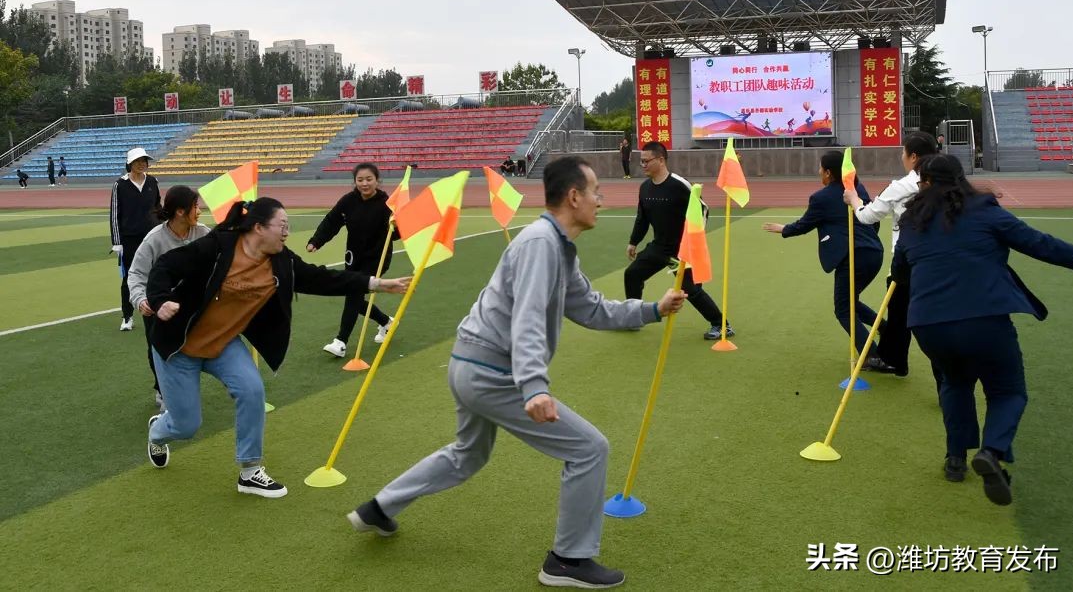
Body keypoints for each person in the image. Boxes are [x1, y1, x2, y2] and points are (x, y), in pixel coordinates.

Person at [346, 156, 687, 589]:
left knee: (468, 454)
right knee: (589, 449)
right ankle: (567, 559)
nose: (601, 200)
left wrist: (651, 309)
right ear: (574, 196)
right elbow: (525, 318)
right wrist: (533, 387)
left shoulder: (557, 247)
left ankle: (378, 508)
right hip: (491, 371)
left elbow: (590, 308)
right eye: (596, 191)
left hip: (470, 364)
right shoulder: (541, 244)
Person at [144, 197, 411, 498]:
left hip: (223, 345)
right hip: (179, 345)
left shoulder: (282, 260)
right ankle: (158, 431)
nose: (287, 232)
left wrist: (375, 284)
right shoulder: (219, 246)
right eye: (282, 226)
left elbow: (321, 278)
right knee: (186, 426)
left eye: (288, 226)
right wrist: (160, 299)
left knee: (252, 390)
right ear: (258, 227)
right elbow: (166, 265)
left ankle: (249, 471)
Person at [893, 154, 1073, 503]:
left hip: (929, 324)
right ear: (960, 179)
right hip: (983, 318)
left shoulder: (910, 223)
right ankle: (991, 453)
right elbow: (1040, 244)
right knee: (1008, 391)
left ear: (927, 183)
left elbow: (900, 273)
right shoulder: (985, 210)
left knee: (955, 383)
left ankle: (955, 460)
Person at [763, 150, 893, 372]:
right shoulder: (856, 188)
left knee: (843, 309)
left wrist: (783, 229)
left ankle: (871, 355)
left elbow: (805, 224)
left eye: (820, 168)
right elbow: (873, 218)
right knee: (851, 301)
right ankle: (885, 329)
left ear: (829, 173)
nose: (818, 172)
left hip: (853, 256)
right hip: (874, 253)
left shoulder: (821, 198)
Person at [841, 131, 937, 376]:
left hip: (908, 261)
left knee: (904, 316)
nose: (902, 157)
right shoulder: (947, 181)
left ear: (913, 156)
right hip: (940, 259)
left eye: (904, 153)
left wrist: (853, 199)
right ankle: (895, 360)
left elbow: (867, 216)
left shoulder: (902, 186)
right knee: (909, 316)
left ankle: (896, 360)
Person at [625, 141, 733, 340]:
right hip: (658, 247)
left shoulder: (679, 185)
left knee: (691, 289)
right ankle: (633, 317)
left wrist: (693, 241)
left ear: (660, 160)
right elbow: (642, 218)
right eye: (641, 161)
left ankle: (721, 325)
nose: (643, 165)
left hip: (682, 251)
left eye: (646, 161)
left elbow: (703, 210)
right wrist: (634, 242)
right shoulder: (645, 188)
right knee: (632, 274)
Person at [127, 186, 211, 411]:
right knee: (159, 349)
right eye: (195, 206)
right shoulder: (154, 239)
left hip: (189, 304)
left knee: (191, 346)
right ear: (181, 211)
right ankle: (163, 390)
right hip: (157, 305)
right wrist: (141, 300)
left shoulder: (203, 233)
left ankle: (184, 386)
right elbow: (136, 273)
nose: (200, 210)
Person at [307, 162, 400, 357]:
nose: (364, 183)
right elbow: (332, 221)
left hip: (376, 258)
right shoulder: (348, 201)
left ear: (377, 180)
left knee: (353, 292)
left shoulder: (387, 204)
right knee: (355, 297)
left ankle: (340, 342)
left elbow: (396, 234)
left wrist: (396, 225)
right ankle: (386, 322)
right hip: (353, 257)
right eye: (360, 180)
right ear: (355, 181)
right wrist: (316, 241)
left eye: (369, 179)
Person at [110, 148, 162, 332]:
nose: (142, 164)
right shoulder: (120, 185)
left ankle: (156, 310)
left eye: (144, 161)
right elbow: (114, 215)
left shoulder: (153, 182)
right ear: (130, 163)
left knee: (156, 275)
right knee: (129, 278)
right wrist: (117, 242)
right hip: (129, 239)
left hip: (152, 238)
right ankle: (127, 315)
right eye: (138, 161)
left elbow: (158, 209)